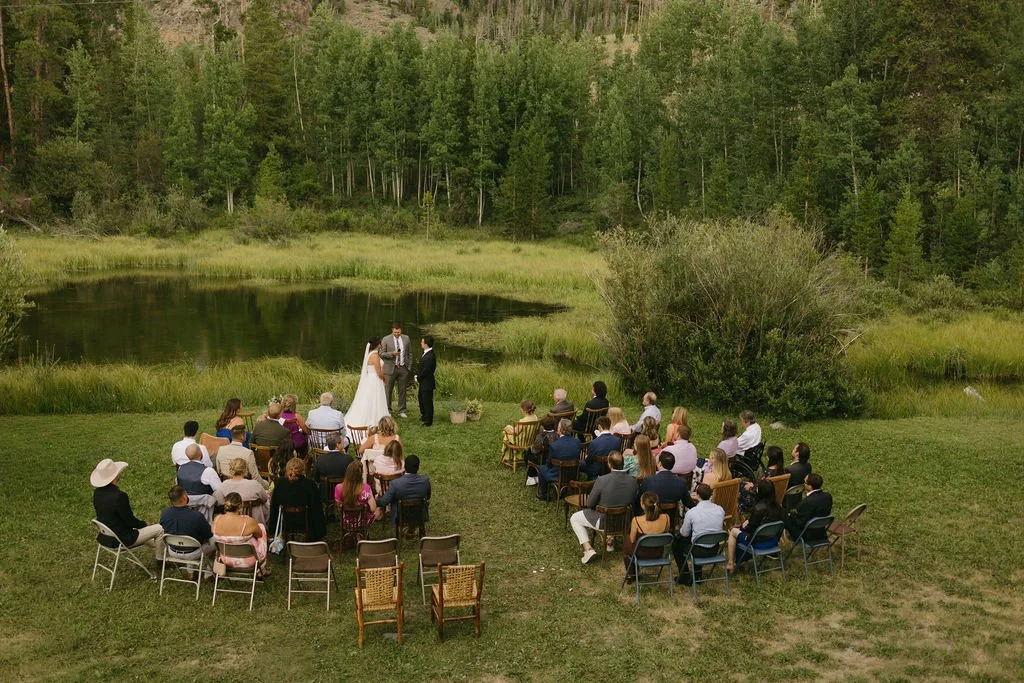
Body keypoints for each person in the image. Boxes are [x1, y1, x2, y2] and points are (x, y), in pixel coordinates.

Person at [570, 451, 639, 564]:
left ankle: (588, 549)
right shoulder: (633, 481)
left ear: (609, 464)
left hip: (604, 521)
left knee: (574, 518)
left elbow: (590, 503)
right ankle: (610, 542)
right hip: (624, 522)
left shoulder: (602, 480)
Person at [91, 458, 164, 556]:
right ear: (114, 476)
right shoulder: (119, 496)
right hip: (122, 539)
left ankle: (163, 547)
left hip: (106, 537)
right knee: (159, 529)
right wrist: (144, 524)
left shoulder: (97, 493)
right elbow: (130, 521)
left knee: (147, 532)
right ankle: (161, 559)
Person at [728, 479, 785, 572]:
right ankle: (743, 564)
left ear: (760, 491)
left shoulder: (759, 508)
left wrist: (744, 526)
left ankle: (730, 563)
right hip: (772, 541)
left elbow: (750, 530)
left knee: (734, 532)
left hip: (758, 542)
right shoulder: (778, 508)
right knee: (741, 533)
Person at [672, 483, 725, 584]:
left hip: (697, 549)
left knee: (676, 545)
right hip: (714, 548)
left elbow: (684, 533)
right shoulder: (720, 509)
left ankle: (684, 577)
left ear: (697, 495)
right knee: (696, 537)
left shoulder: (692, 512)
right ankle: (697, 575)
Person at [268, 457, 326, 543]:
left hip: (285, 521)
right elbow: (316, 507)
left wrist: (272, 528)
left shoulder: (280, 483)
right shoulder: (309, 484)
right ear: (303, 469)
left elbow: (274, 506)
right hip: (305, 521)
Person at [212, 492, 268, 578]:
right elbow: (259, 535)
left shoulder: (217, 519)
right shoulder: (248, 522)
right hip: (249, 561)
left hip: (225, 559)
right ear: (240, 506)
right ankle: (262, 570)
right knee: (261, 529)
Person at [622, 492, 672, 583]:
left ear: (643, 505)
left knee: (627, 540)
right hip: (658, 552)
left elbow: (632, 540)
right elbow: (666, 532)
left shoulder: (636, 520)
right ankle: (631, 574)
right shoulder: (667, 518)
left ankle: (631, 574)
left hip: (641, 553)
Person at [346, 336, 391, 435]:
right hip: (375, 380)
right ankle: (374, 420)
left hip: (371, 380)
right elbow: (379, 372)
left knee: (371, 399)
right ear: (379, 344)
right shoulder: (375, 356)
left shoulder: (370, 354)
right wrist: (384, 379)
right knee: (375, 399)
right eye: (381, 343)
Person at [160, 485, 215, 560]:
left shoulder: (164, 513)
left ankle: (190, 571)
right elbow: (209, 535)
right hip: (194, 552)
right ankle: (209, 570)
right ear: (185, 497)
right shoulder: (197, 516)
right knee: (216, 541)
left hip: (172, 550)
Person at [375, 454, 431, 524]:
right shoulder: (425, 481)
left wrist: (373, 502)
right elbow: (428, 497)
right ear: (418, 467)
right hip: (420, 516)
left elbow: (384, 502)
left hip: (399, 517)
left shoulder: (395, 483)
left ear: (404, 466)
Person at [214, 458, 270, 525]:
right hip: (255, 521)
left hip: (232, 522)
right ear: (245, 469)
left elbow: (219, 501)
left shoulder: (224, 485)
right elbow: (265, 498)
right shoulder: (254, 484)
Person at [639, 451, 697, 515]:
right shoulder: (681, 482)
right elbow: (689, 503)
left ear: (660, 464)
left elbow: (639, 499)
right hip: (671, 519)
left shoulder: (649, 480)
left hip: (651, 517)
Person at [536, 418, 581, 501]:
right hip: (574, 474)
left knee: (542, 468)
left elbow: (549, 463)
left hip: (557, 475)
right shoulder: (577, 442)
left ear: (560, 429)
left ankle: (544, 494)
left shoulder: (555, 445)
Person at [215, 424, 270, 490]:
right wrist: (266, 486)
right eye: (246, 434)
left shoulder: (221, 449)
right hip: (244, 486)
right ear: (242, 437)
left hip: (226, 485)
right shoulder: (248, 453)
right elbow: (255, 476)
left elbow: (219, 470)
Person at [784, 473, 833, 542]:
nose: (804, 484)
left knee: (784, 517)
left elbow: (800, 522)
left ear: (810, 486)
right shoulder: (828, 496)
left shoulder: (807, 502)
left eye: (805, 482)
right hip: (821, 533)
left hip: (807, 535)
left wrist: (791, 515)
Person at [739, 445, 785, 514]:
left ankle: (741, 508)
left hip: (760, 498)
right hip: (774, 497)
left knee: (741, 486)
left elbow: (758, 488)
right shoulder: (783, 472)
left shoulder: (764, 472)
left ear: (769, 458)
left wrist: (752, 486)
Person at [379, 323, 412, 418]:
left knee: (402, 390)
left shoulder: (406, 338)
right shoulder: (386, 339)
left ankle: (402, 410)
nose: (396, 334)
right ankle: (388, 410)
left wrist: (408, 366)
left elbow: (409, 353)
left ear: (401, 330)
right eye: (395, 332)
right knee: (388, 390)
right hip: (389, 369)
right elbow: (381, 353)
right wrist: (392, 354)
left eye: (398, 332)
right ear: (392, 330)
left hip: (403, 368)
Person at [335, 460, 377, 531]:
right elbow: (373, 508)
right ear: (361, 475)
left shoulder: (338, 488)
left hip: (346, 522)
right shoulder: (366, 488)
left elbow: (339, 506)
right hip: (362, 523)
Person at [251, 399, 295, 465]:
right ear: (280, 415)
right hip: (276, 463)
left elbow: (251, 443)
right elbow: (287, 451)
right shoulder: (285, 431)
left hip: (259, 461)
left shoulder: (258, 425)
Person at [525, 414, 558, 486]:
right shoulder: (557, 435)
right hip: (555, 460)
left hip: (543, 461)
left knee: (527, 452)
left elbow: (534, 450)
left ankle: (532, 476)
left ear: (542, 425)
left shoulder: (542, 435)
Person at [415, 336, 436, 427]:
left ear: (426, 344)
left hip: (427, 382)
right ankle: (424, 415)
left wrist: (418, 377)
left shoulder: (430, 356)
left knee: (427, 401)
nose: (421, 343)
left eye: (422, 342)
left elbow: (426, 370)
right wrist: (417, 374)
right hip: (423, 382)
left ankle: (428, 420)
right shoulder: (425, 353)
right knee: (421, 398)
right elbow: (421, 367)